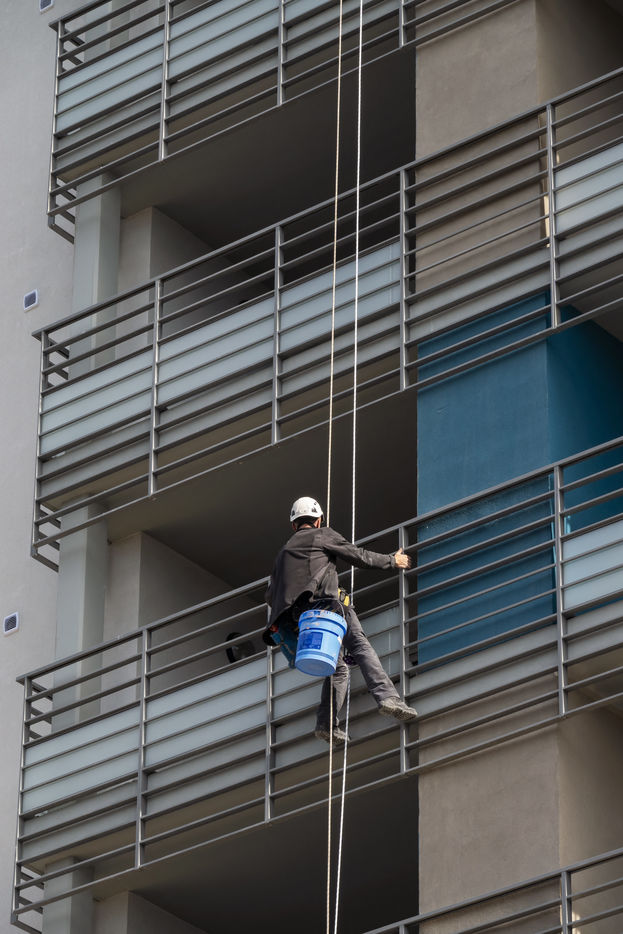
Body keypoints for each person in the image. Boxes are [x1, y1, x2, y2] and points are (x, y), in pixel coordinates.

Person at [264, 496, 417, 744]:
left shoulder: (283, 554)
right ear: (318, 520)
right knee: (360, 646)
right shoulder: (322, 534)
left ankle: (326, 725)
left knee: (338, 669)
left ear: (294, 525)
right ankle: (388, 698)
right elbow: (358, 555)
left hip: (302, 619)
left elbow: (270, 595)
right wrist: (392, 560)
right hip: (328, 608)